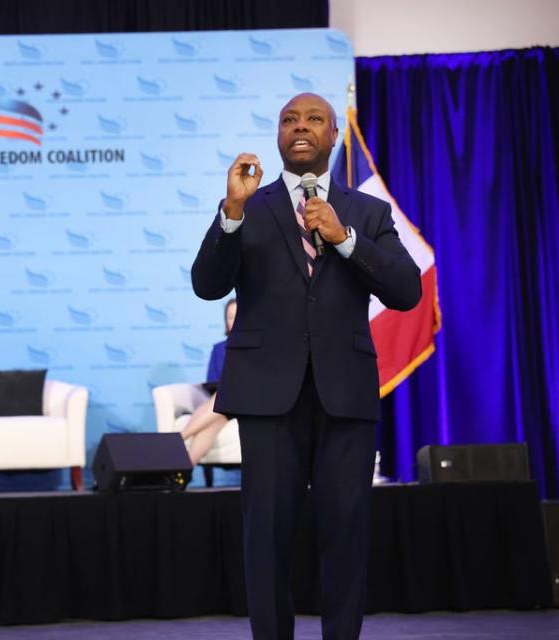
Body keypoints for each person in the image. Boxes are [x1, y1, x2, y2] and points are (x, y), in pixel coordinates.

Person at [191, 93, 421, 640]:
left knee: (346, 533)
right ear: (278, 136)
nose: (300, 127)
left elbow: (407, 291)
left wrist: (343, 239)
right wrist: (231, 213)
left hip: (346, 396)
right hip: (269, 396)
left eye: (314, 119)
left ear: (333, 134)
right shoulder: (249, 204)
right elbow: (207, 285)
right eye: (289, 120)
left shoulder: (366, 212)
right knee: (266, 538)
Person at [179, 298, 237, 465]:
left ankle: (178, 438)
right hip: (222, 407)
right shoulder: (218, 349)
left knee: (224, 397)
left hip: (245, 403)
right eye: (230, 316)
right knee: (210, 427)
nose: (233, 320)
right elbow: (212, 381)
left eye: (238, 315)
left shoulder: (256, 347)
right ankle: (183, 469)